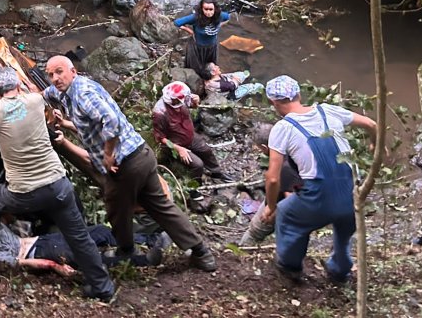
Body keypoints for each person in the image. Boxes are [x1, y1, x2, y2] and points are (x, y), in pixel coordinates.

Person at [0, 64, 116, 301]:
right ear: (17, 86)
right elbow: (26, 100)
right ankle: (104, 290)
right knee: (79, 237)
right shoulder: (35, 102)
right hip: (59, 186)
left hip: (24, 194)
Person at [42, 55, 217, 273]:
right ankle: (201, 251)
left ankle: (126, 251)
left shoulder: (83, 94)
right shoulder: (67, 90)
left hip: (126, 165)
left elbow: (112, 123)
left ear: (73, 71)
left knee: (116, 208)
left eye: (59, 72)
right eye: (50, 75)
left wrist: (108, 154)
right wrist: (55, 115)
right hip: (142, 155)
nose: (55, 78)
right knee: (161, 207)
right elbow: (55, 100)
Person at [260, 75, 377, 283]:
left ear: (274, 102)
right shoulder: (327, 110)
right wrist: (375, 145)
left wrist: (270, 206)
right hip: (353, 194)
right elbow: (371, 123)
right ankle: (340, 270)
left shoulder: (282, 128)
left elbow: (272, 179)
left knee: (286, 213)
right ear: (298, 94)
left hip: (319, 198)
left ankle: (290, 266)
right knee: (343, 233)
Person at [0, 221, 168, 274]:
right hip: (43, 251)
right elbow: (21, 262)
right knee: (93, 258)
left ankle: (151, 240)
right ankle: (145, 259)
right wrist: (55, 266)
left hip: (45, 240)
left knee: (100, 231)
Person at [152, 81, 233, 183]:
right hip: (176, 144)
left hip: (189, 136)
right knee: (197, 165)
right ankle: (193, 187)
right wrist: (179, 149)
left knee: (206, 150)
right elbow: (160, 138)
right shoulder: (160, 112)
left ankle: (216, 173)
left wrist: (196, 101)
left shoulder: (182, 99)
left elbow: (194, 106)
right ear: (173, 99)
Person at [239, 123, 302, 246]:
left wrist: (273, 211)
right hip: (277, 197)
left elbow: (292, 198)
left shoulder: (285, 166)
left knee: (255, 232)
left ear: (264, 147)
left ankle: (242, 253)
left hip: (281, 204)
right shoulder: (290, 147)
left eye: (259, 148)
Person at [174, 0, 231, 82]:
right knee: (196, 67)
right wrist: (191, 31)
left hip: (212, 46)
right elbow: (177, 22)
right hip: (198, 47)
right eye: (206, 9)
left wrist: (220, 25)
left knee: (211, 67)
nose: (208, 12)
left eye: (211, 9)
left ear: (215, 9)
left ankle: (210, 78)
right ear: (202, 9)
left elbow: (228, 17)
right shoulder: (196, 18)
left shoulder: (220, 16)